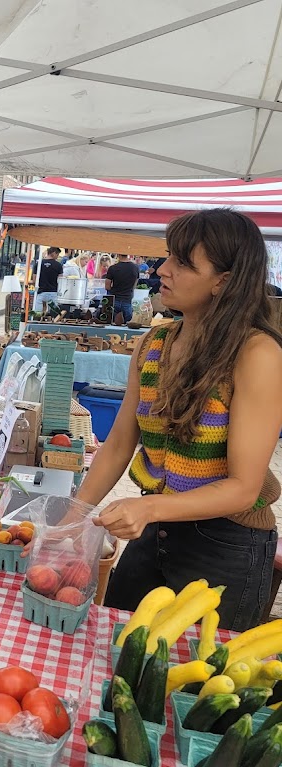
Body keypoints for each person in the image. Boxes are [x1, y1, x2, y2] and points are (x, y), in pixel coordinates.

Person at [76, 209, 282, 632]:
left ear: (224, 280)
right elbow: (118, 445)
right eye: (169, 256)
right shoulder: (154, 343)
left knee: (191, 681)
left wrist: (148, 506)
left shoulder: (257, 355)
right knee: (115, 647)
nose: (162, 270)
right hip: (158, 529)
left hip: (227, 544)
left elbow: (244, 489)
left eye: (183, 263)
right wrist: (70, 519)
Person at [105, 253, 140, 322]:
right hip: (127, 299)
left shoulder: (113, 268)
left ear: (118, 255)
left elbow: (107, 286)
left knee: (111, 323)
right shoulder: (135, 268)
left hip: (114, 299)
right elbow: (134, 285)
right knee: (127, 324)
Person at [34, 246, 63, 311]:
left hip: (41, 291)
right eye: (57, 254)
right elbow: (60, 280)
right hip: (53, 292)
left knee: (37, 313)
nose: (57, 256)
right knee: (54, 314)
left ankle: (37, 320)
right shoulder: (58, 265)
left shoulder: (39, 264)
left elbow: (35, 279)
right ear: (54, 253)